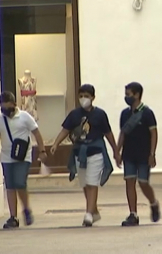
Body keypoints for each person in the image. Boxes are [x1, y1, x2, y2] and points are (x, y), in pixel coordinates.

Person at [50, 84, 120, 227]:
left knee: (92, 182)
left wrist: (115, 150)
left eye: (86, 96)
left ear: (93, 98)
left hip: (96, 151)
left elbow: (108, 133)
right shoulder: (74, 114)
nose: (83, 99)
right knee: (84, 183)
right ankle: (93, 210)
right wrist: (56, 143)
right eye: (81, 96)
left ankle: (88, 214)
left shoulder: (100, 114)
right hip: (79, 152)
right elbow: (65, 130)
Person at [0, 91, 47, 229]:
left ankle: (26, 208)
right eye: (3, 108)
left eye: (8, 107)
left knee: (20, 183)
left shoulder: (25, 117)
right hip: (6, 157)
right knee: (10, 186)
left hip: (23, 156)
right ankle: (13, 217)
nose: (6, 111)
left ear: (14, 104)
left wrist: (42, 151)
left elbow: (37, 133)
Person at [117, 82, 160, 226]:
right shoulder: (125, 114)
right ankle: (133, 214)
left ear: (137, 95)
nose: (126, 97)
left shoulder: (147, 113)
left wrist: (152, 153)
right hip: (129, 153)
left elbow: (153, 133)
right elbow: (123, 133)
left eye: (128, 94)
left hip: (143, 153)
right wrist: (118, 151)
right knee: (129, 182)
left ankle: (153, 203)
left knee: (143, 182)